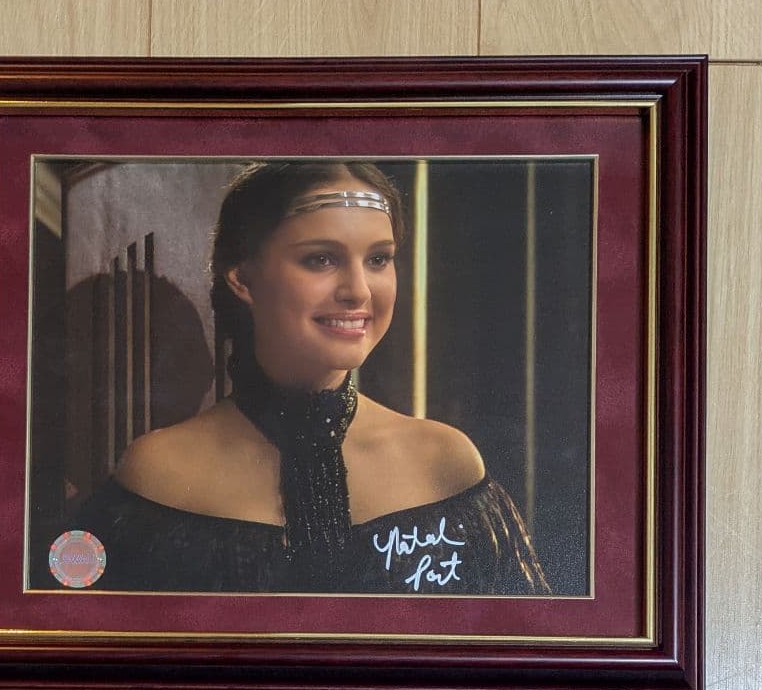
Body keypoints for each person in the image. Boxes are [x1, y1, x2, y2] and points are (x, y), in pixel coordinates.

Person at [77, 161, 550, 595]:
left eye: (378, 259)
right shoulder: (155, 471)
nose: (358, 291)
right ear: (242, 277)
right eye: (321, 259)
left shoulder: (446, 463)